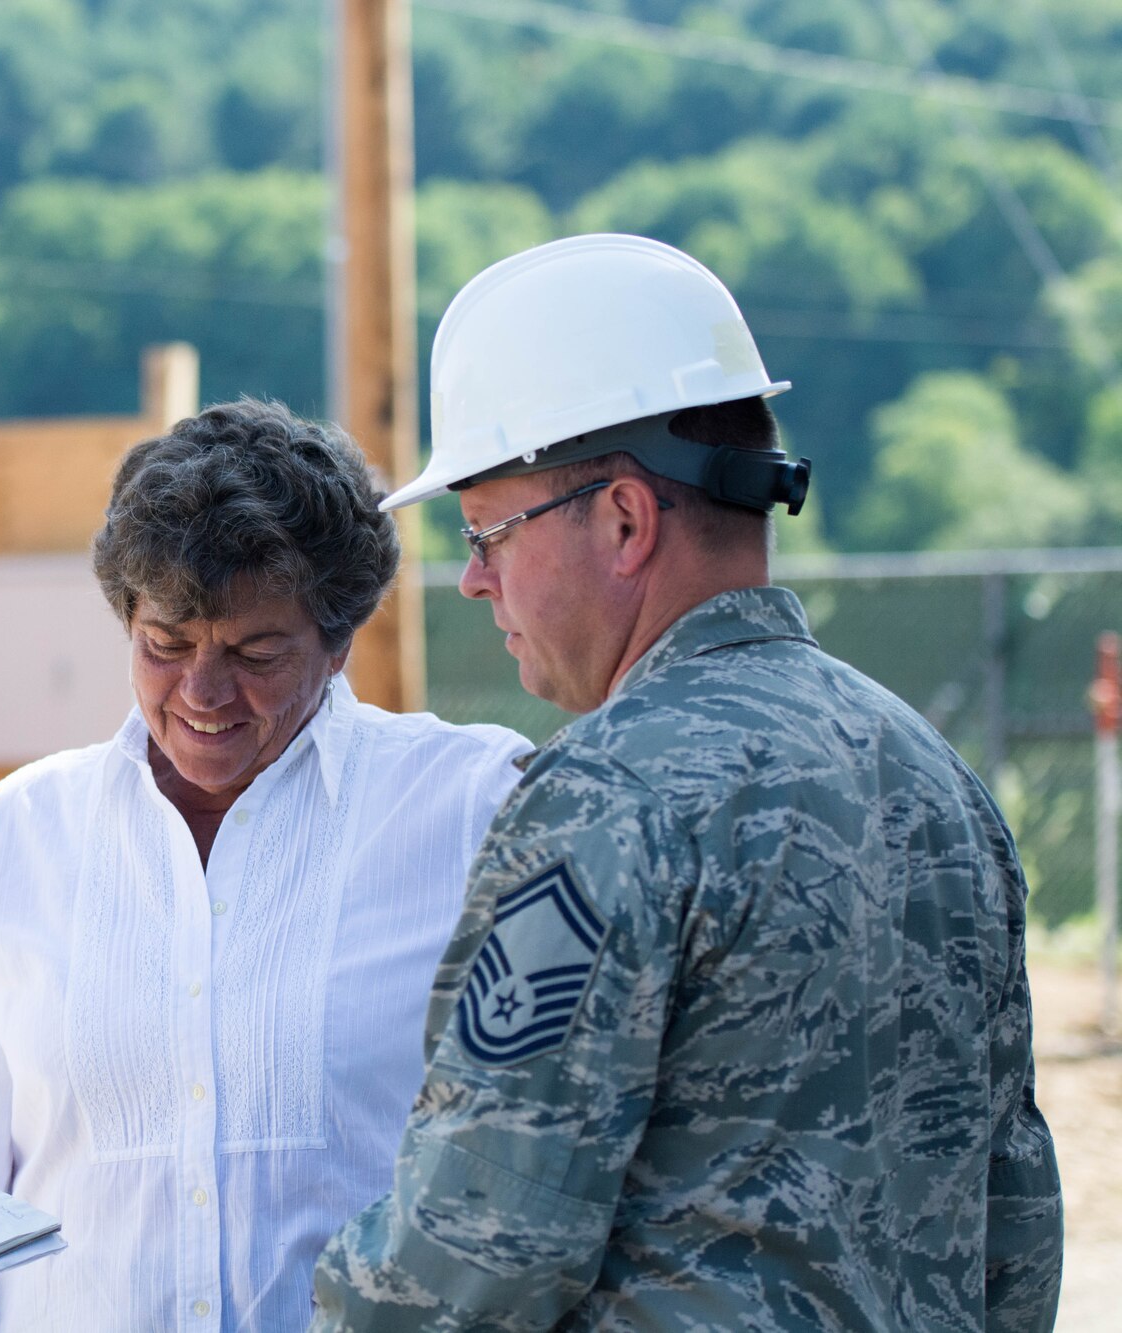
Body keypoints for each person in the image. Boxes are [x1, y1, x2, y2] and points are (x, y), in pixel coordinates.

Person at [311, 233, 1064, 1331]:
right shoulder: (936, 782)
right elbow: (1013, 1222)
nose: (472, 578)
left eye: (486, 530)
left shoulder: (601, 797)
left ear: (622, 519)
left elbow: (476, 1250)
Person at [0, 398, 530, 1331]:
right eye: (165, 644)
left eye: (256, 650)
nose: (202, 692)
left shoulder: (471, 809)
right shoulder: (18, 836)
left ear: (340, 640)